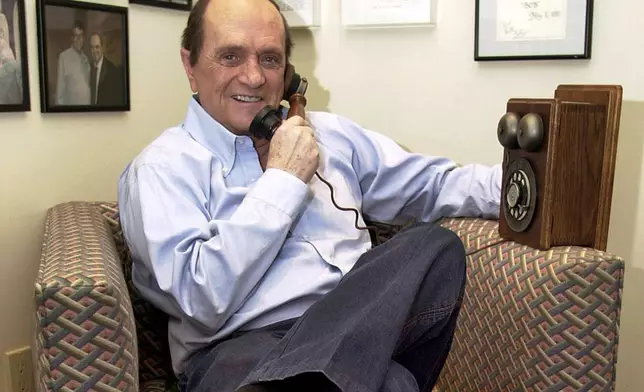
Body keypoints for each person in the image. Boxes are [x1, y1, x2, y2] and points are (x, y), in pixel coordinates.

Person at [117, 0, 502, 391]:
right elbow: (200, 301)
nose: (252, 77)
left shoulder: (330, 136)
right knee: (393, 383)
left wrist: (531, 187)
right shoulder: (160, 168)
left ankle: (318, 377)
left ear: (288, 74)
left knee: (435, 247)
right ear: (190, 65)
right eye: (230, 56)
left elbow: (436, 185)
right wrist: (283, 181)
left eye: (269, 59)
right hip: (237, 354)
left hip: (356, 327)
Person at [55, 20, 90, 106]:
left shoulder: (86, 59)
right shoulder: (64, 57)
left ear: (84, 38)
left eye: (81, 36)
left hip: (87, 112)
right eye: (75, 36)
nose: (78, 39)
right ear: (72, 38)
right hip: (71, 113)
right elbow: (60, 91)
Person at [88, 32, 124, 106]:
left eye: (97, 47)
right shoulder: (87, 68)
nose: (94, 51)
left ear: (102, 48)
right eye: (92, 47)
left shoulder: (112, 70)